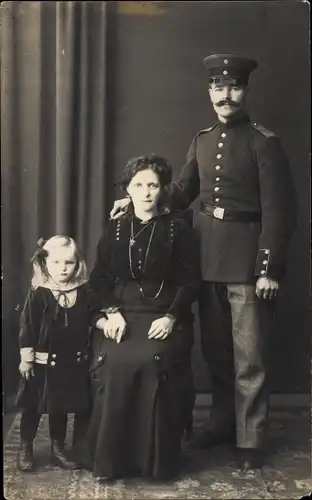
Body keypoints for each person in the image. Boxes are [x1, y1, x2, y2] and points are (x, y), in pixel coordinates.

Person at [109, 55, 297, 471]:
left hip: (247, 263)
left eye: (233, 88)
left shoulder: (264, 142)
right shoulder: (202, 139)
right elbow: (182, 192)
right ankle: (223, 422)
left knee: (250, 356)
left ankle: (250, 438)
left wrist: (269, 268)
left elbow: (280, 212)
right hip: (205, 259)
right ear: (209, 92)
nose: (225, 96)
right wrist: (141, 199)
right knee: (215, 352)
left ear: (245, 91)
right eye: (217, 88)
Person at [87, 154, 200, 482]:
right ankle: (110, 461)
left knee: (152, 360)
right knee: (115, 360)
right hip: (122, 313)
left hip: (163, 314)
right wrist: (110, 313)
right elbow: (99, 278)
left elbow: (191, 282)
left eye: (153, 185)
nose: (147, 192)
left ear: (163, 189)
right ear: (128, 189)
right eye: (139, 185)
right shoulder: (116, 227)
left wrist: (170, 317)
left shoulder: (180, 230)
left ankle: (152, 463)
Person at [15, 235, 105, 472]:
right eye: (56, 263)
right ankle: (25, 446)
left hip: (69, 363)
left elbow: (94, 313)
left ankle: (57, 448)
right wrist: (27, 357)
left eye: (69, 263)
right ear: (45, 264)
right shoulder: (39, 292)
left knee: (60, 409)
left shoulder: (83, 291)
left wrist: (105, 321)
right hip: (41, 363)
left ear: (78, 264)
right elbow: (28, 325)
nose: (63, 269)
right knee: (33, 407)